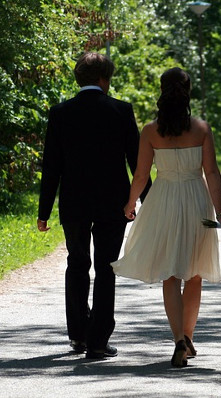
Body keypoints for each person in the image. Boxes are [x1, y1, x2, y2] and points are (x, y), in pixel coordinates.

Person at [111, 67, 221, 367]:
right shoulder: (202, 129)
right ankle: (189, 339)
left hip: (164, 198)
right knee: (194, 273)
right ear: (187, 92)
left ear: (162, 92)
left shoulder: (151, 131)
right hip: (195, 198)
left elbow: (141, 174)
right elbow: (212, 172)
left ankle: (178, 338)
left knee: (170, 273)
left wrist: (130, 203)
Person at [36, 52, 151, 359]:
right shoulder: (121, 110)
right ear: (104, 79)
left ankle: (77, 335)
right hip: (112, 202)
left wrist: (43, 212)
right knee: (106, 268)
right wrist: (147, 201)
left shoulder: (60, 113)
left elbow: (52, 166)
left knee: (76, 264)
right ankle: (98, 340)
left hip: (74, 202)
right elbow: (136, 163)